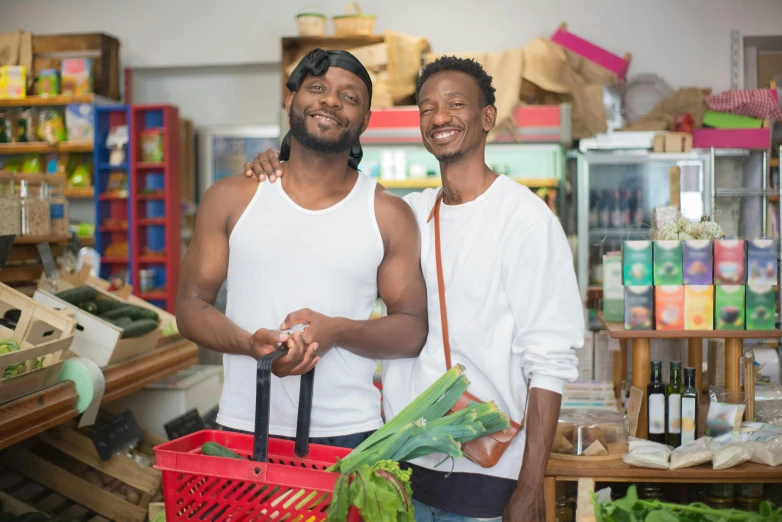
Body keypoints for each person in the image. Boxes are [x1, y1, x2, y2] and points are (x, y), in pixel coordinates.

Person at [244, 56, 584, 521]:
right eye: (427, 108)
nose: (439, 117)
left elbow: (549, 360)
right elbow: (325, 195)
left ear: (488, 117)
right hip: (400, 467)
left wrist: (529, 488)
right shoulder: (411, 212)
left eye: (455, 104)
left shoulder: (524, 220)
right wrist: (276, 164)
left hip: (485, 476)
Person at [176, 48, 428, 449]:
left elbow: (413, 328)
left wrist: (338, 331)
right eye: (317, 87)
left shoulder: (388, 213)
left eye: (349, 97)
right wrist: (248, 343)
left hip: (348, 436)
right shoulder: (230, 197)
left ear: (365, 120)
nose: (330, 100)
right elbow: (189, 307)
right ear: (291, 99)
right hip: (243, 426)